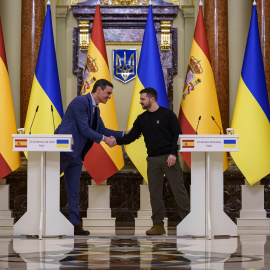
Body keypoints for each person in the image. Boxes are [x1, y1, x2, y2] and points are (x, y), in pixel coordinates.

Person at [108, 87, 190, 235]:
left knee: (179, 191)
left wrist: (173, 154)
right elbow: (131, 136)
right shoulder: (142, 119)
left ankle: (189, 222)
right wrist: (116, 141)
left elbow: (177, 134)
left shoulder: (168, 115)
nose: (140, 102)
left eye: (142, 99)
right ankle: (158, 225)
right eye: (140, 99)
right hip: (152, 160)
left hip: (169, 158)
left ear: (152, 99)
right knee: (154, 193)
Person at [55, 79, 123, 235]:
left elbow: (102, 129)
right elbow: (85, 129)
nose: (109, 97)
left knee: (74, 190)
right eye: (108, 93)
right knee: (49, 185)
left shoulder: (95, 109)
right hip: (63, 150)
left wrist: (125, 134)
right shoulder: (80, 102)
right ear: (98, 90)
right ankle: (50, 220)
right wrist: (105, 139)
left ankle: (74, 224)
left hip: (77, 153)